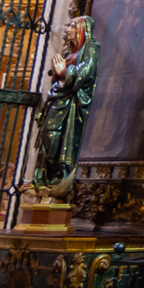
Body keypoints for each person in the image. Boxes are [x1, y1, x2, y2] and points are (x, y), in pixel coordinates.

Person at [35, 15, 96, 191]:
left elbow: (86, 73)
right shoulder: (71, 51)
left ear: (83, 29)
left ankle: (56, 178)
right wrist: (57, 72)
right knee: (47, 134)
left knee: (53, 135)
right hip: (58, 99)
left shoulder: (91, 47)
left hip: (70, 103)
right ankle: (45, 180)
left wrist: (64, 72)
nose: (67, 29)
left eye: (72, 26)